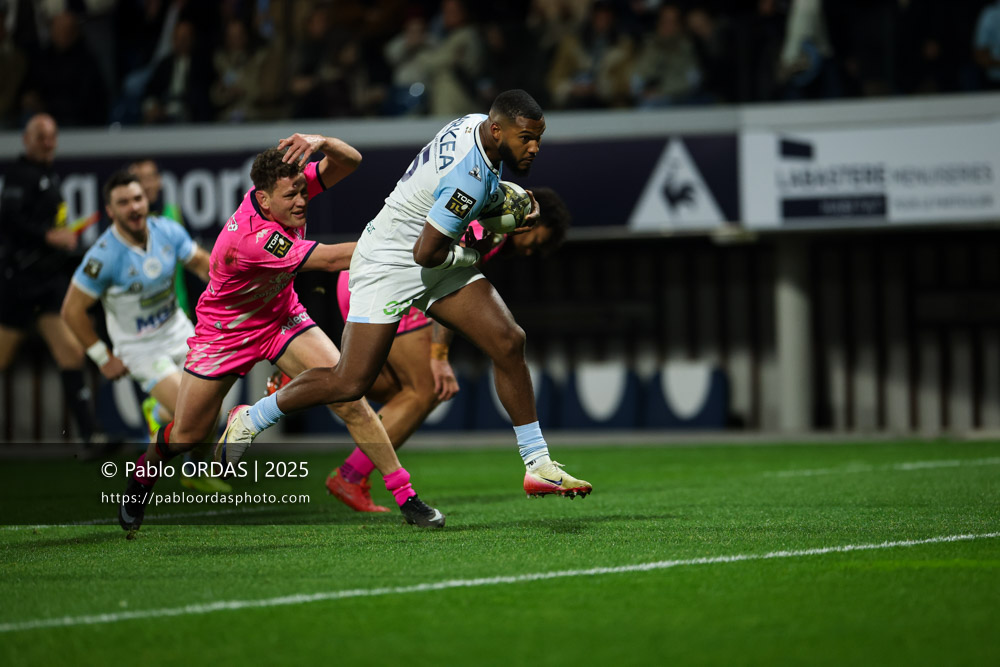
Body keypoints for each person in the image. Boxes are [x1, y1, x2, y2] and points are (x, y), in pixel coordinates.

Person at [224, 90, 592, 501]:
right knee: (351, 381)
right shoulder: (467, 179)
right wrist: (479, 244)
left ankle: (537, 463)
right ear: (497, 130)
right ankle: (253, 417)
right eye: (526, 138)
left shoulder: (474, 126)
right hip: (389, 262)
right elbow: (428, 252)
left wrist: (496, 206)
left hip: (426, 254)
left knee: (508, 340)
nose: (534, 147)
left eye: (538, 138)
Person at [117, 132, 446, 535]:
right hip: (226, 333)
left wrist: (322, 141)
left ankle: (406, 497)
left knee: (349, 396)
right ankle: (141, 479)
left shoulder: (282, 195)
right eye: (291, 196)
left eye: (303, 191)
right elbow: (329, 260)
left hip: (280, 317)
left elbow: (350, 162)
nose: (302, 202)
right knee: (188, 434)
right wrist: (415, 243)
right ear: (265, 198)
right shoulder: (253, 240)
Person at [290, 187, 571, 512]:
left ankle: (310, 372)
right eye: (534, 243)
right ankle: (349, 476)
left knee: (391, 389)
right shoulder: (493, 227)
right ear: (528, 222)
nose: (527, 252)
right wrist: (439, 358)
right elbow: (445, 278)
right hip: (391, 278)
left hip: (364, 273)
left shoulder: (486, 215)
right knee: (425, 389)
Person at [61, 170, 230, 494]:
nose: (133, 207)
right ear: (110, 211)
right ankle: (153, 469)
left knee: (214, 409)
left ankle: (191, 464)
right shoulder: (103, 255)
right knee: (195, 413)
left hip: (179, 332)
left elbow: (199, 263)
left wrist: (231, 290)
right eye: (123, 203)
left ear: (147, 199)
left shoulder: (167, 230)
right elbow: (71, 309)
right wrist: (101, 357)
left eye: (137, 199)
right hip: (141, 349)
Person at [0, 113, 104, 450]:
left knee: (71, 352)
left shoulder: (48, 176)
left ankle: (90, 437)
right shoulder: (18, 175)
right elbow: (9, 219)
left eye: (51, 136)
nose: (48, 142)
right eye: (41, 136)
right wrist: (50, 237)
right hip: (18, 282)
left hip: (46, 283)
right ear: (26, 140)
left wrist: (61, 241)